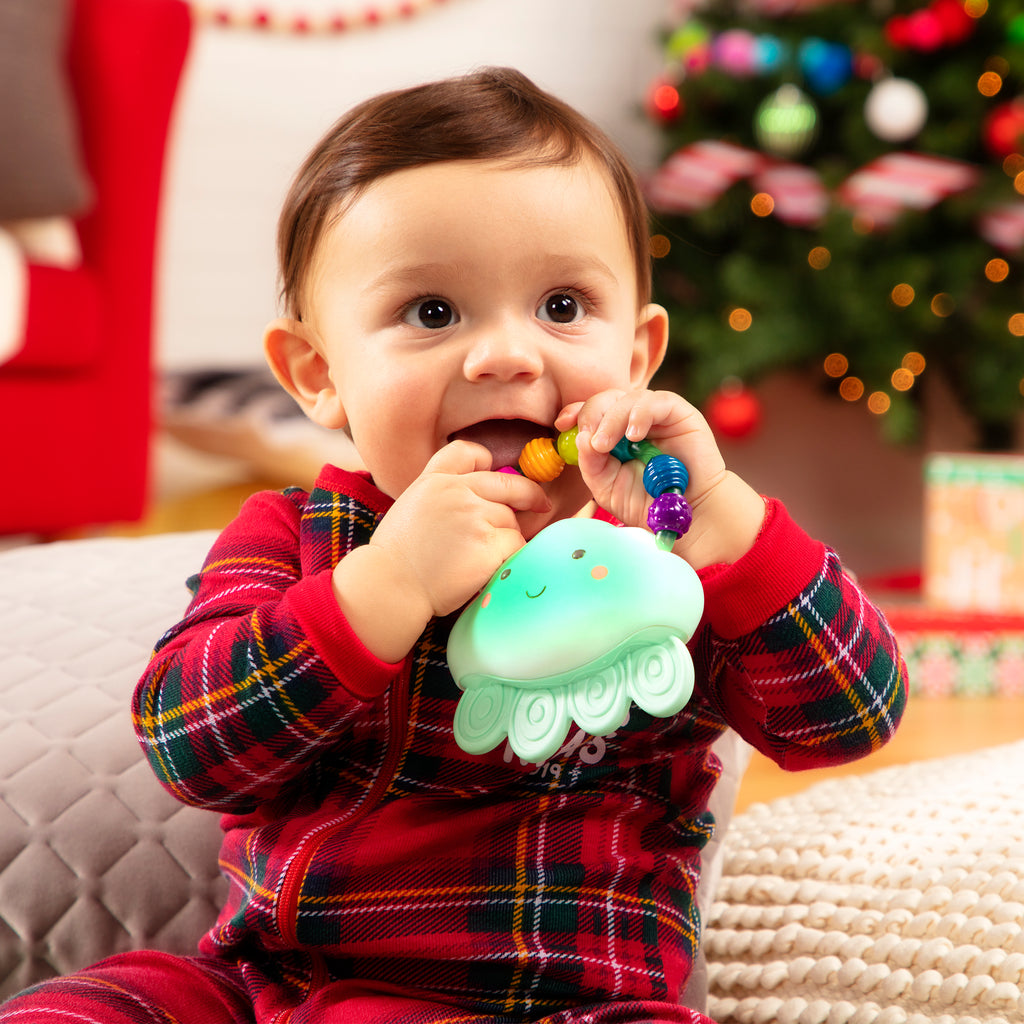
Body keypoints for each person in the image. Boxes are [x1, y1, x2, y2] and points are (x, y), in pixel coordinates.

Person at [0, 67, 907, 1024]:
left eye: (562, 307)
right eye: (432, 313)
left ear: (637, 356)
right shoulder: (298, 537)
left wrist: (726, 518)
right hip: (275, 990)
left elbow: (851, 714)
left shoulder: (668, 548)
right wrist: (380, 588)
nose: (505, 355)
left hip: (565, 1007)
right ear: (319, 376)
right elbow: (193, 746)